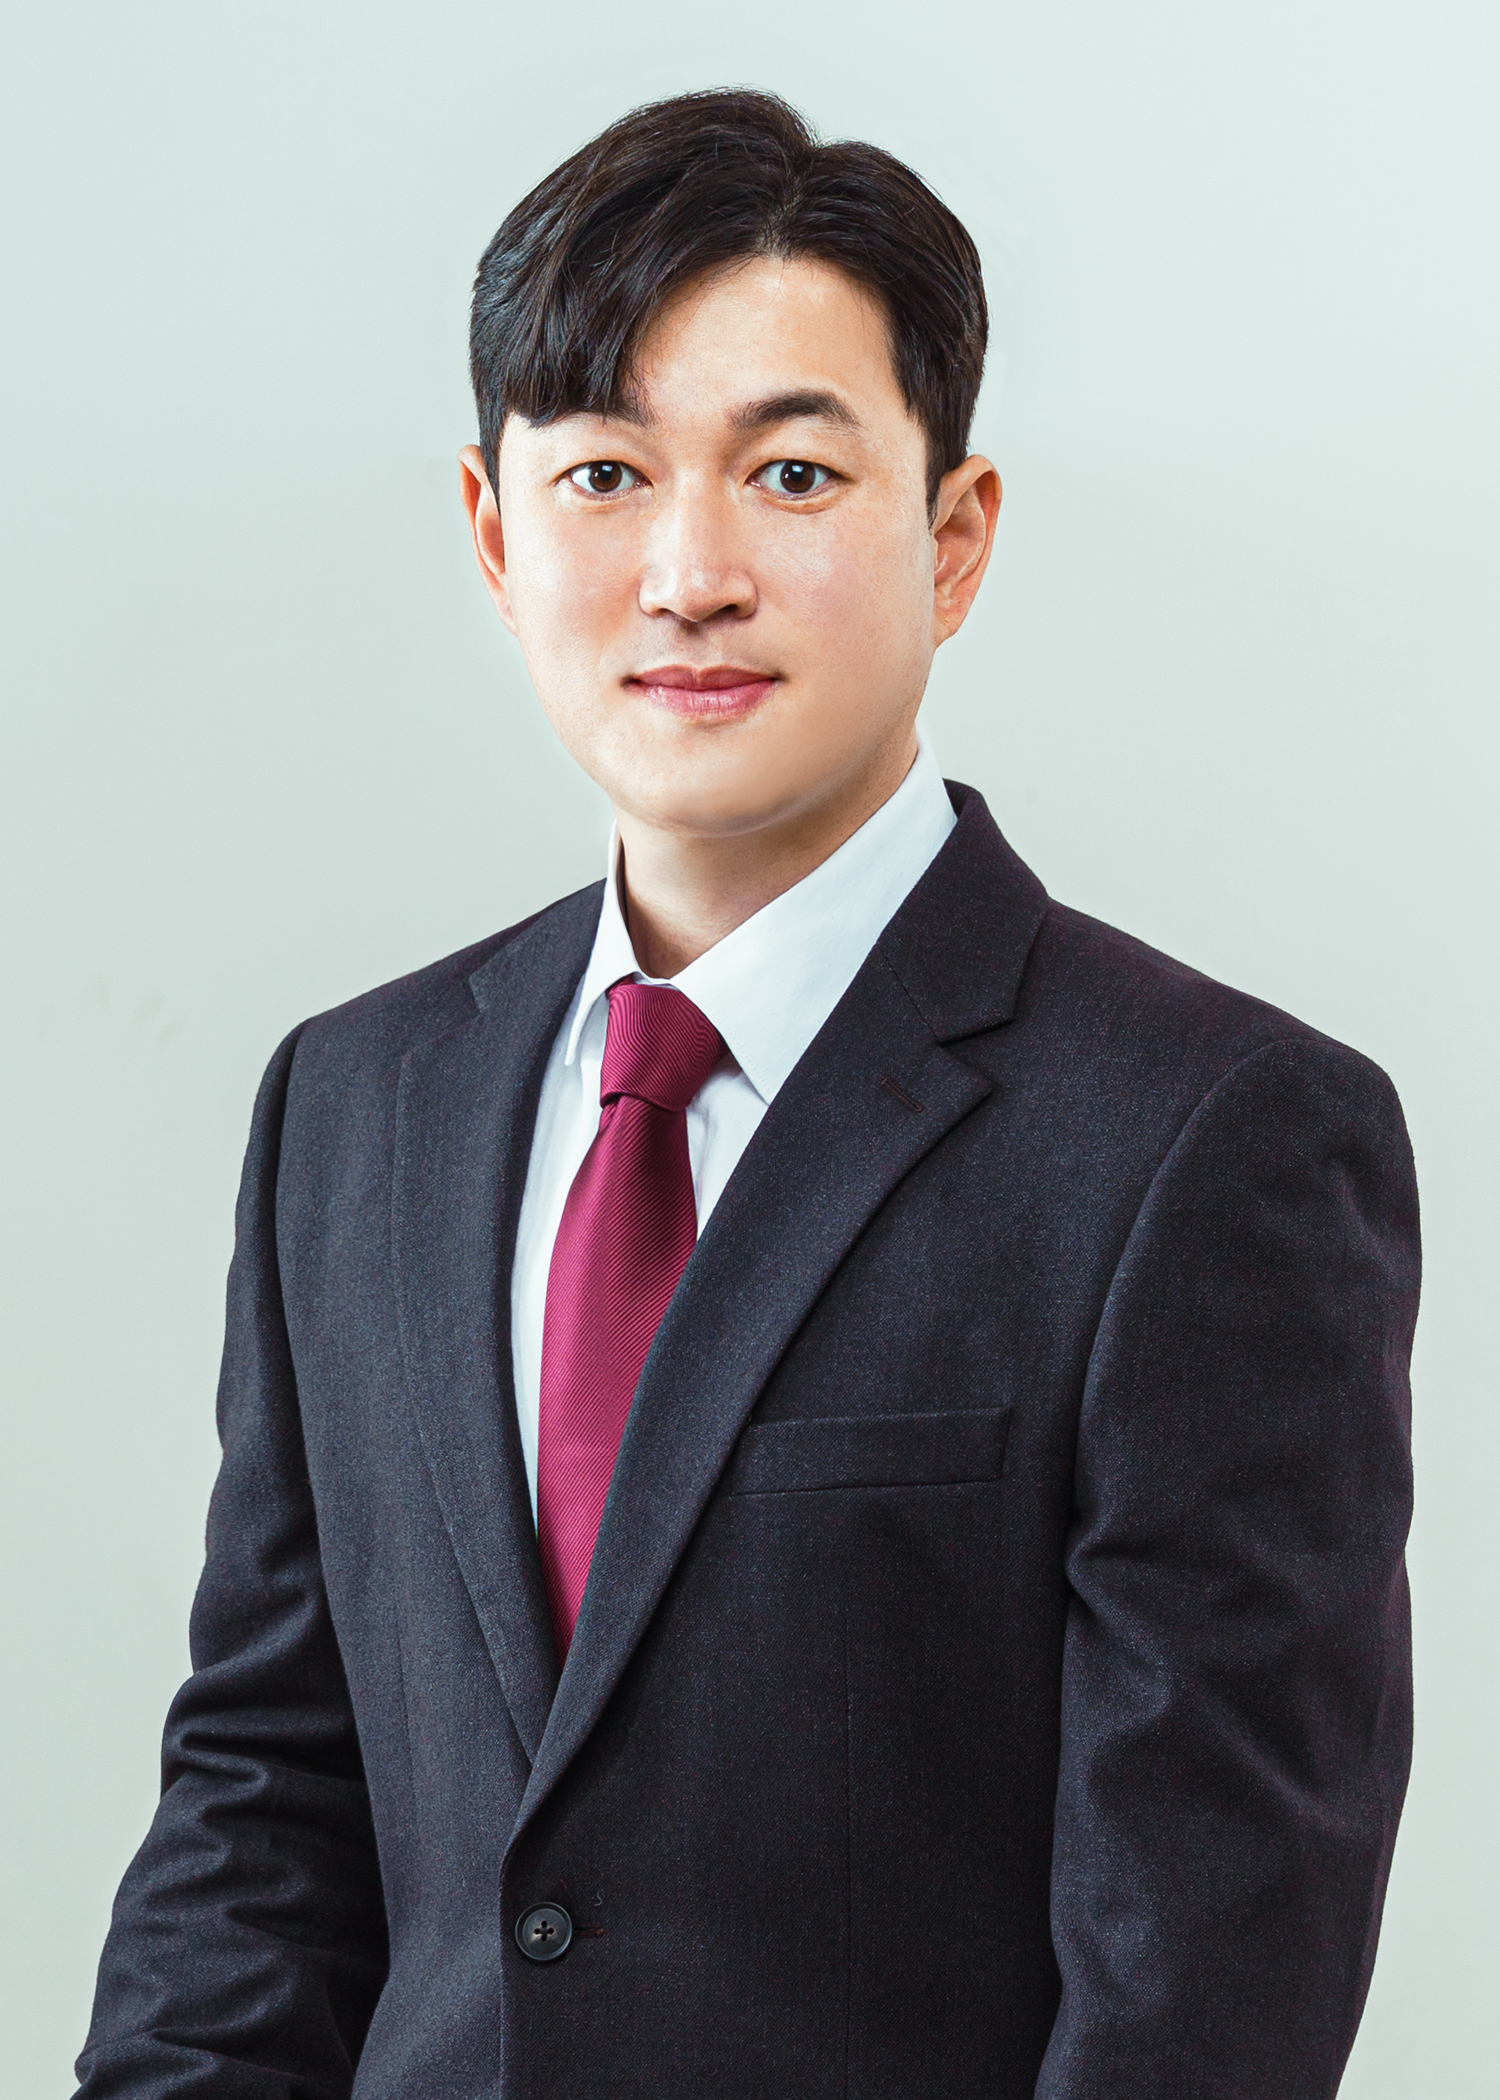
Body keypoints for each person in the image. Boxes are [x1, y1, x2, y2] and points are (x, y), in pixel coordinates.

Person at [75, 88, 1419, 2100]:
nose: (689, 572)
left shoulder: (1204, 1136)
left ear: (953, 537)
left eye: (793, 472)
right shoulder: (354, 1108)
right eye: (604, 475)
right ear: (493, 533)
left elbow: (1203, 1982)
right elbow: (264, 1806)